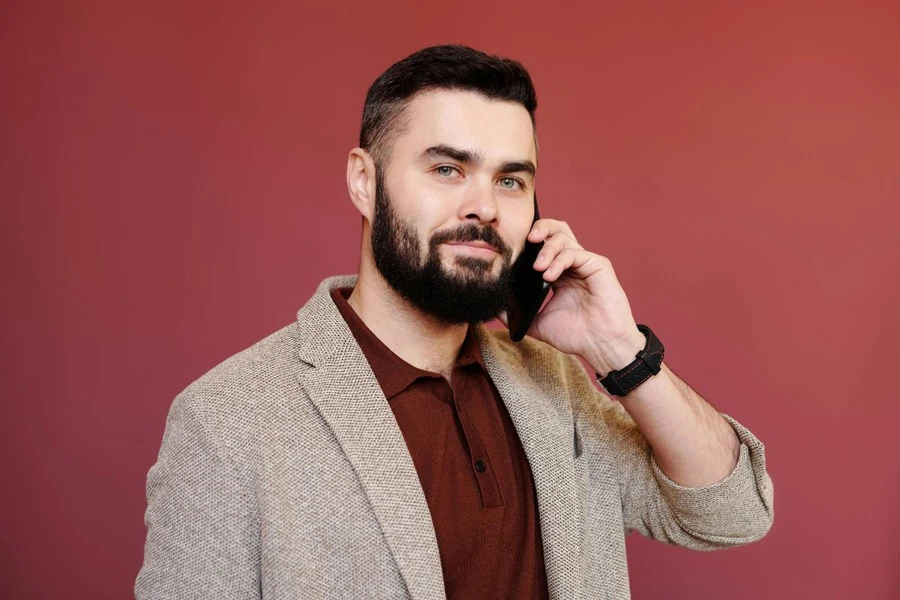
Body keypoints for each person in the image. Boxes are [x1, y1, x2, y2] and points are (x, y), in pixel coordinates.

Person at [135, 44, 774, 600]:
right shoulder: (227, 422)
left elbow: (735, 513)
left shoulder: (558, 385)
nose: (484, 207)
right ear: (364, 180)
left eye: (511, 181)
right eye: (447, 169)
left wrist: (618, 350)